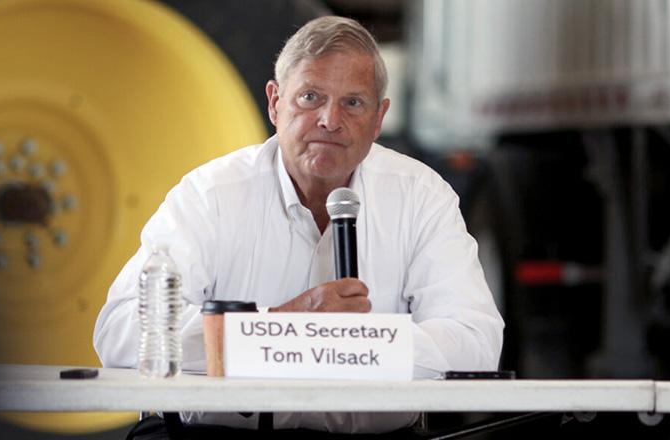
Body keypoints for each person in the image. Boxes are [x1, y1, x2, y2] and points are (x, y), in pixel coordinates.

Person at [94, 15, 503, 437]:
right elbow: (121, 331)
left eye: (353, 103)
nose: (329, 120)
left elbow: (475, 344)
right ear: (274, 103)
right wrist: (285, 327)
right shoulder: (210, 194)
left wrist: (361, 346)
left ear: (379, 118)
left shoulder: (421, 196)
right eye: (310, 97)